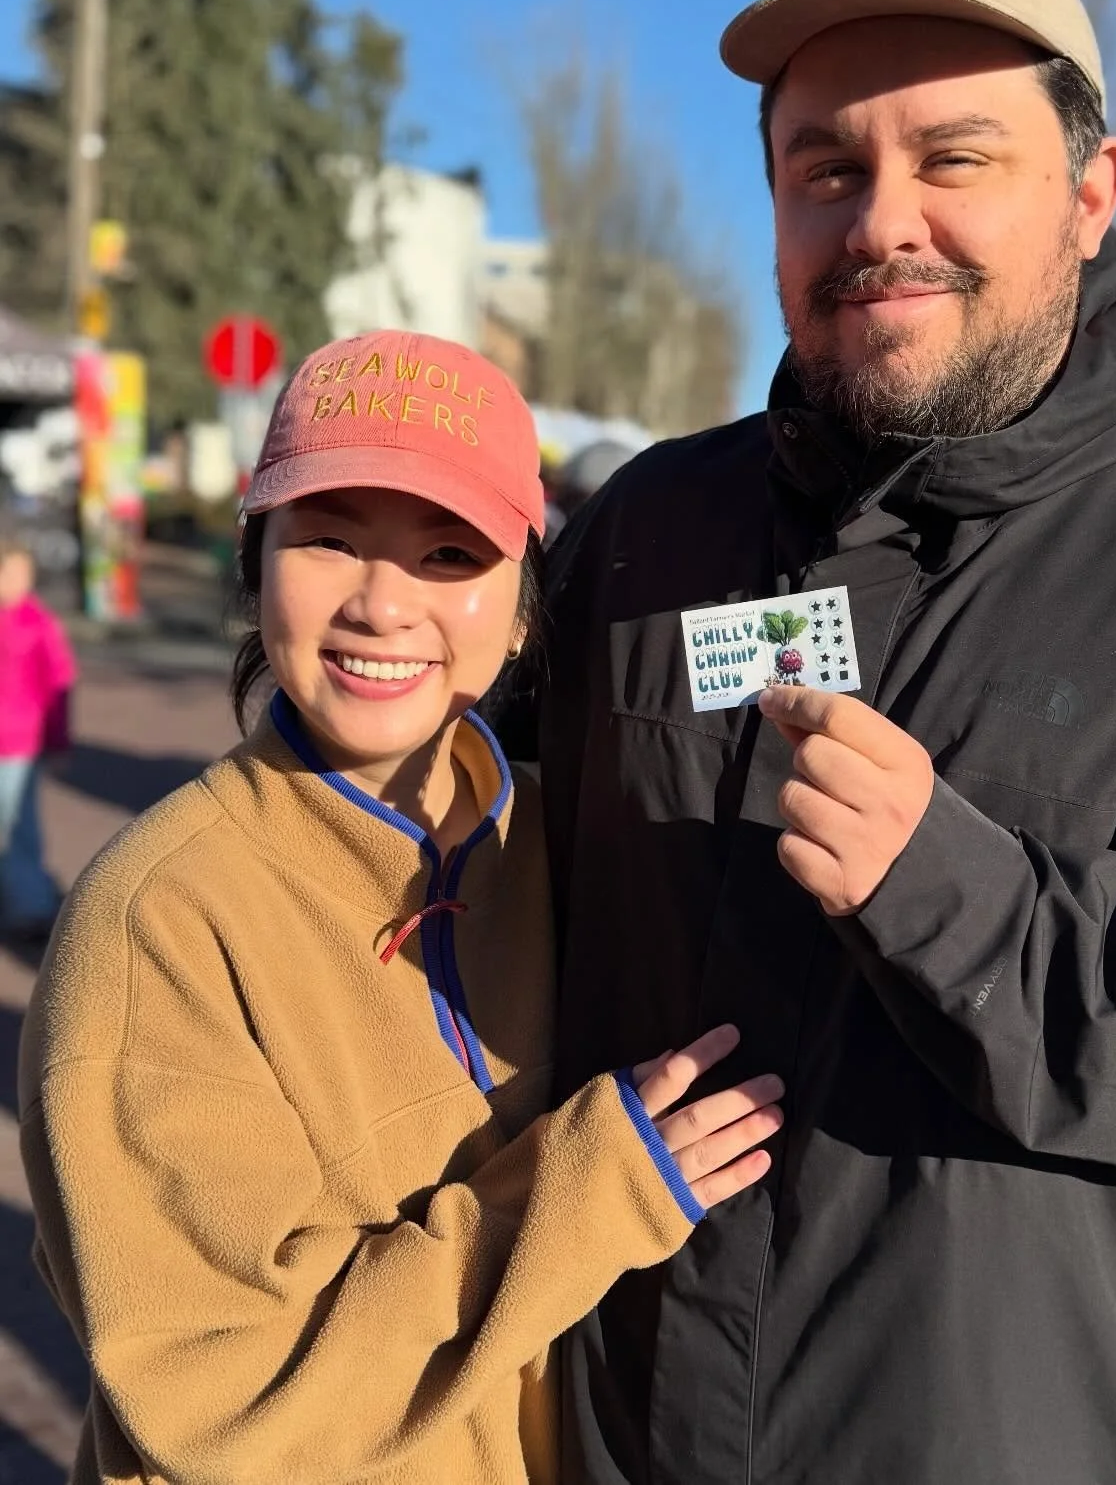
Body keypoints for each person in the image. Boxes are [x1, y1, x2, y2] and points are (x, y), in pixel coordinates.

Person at [517, 0, 1116, 1481]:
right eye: (825, 169)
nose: (883, 222)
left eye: (957, 158)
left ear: (1091, 192)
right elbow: (494, 872)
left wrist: (971, 912)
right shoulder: (650, 532)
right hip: (628, 1436)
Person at [19, 332, 783, 1484]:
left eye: (447, 551)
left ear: (524, 609)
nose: (383, 603)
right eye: (328, 536)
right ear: (254, 558)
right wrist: (588, 1196)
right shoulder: (155, 921)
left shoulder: (556, 840)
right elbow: (232, 1399)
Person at [0, 530, 75, 936]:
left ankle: (31, 904)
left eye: (21, 574)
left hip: (19, 745)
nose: (14, 583)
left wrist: (59, 739)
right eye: (7, 574)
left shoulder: (39, 624)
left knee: (16, 825)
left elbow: (59, 684)